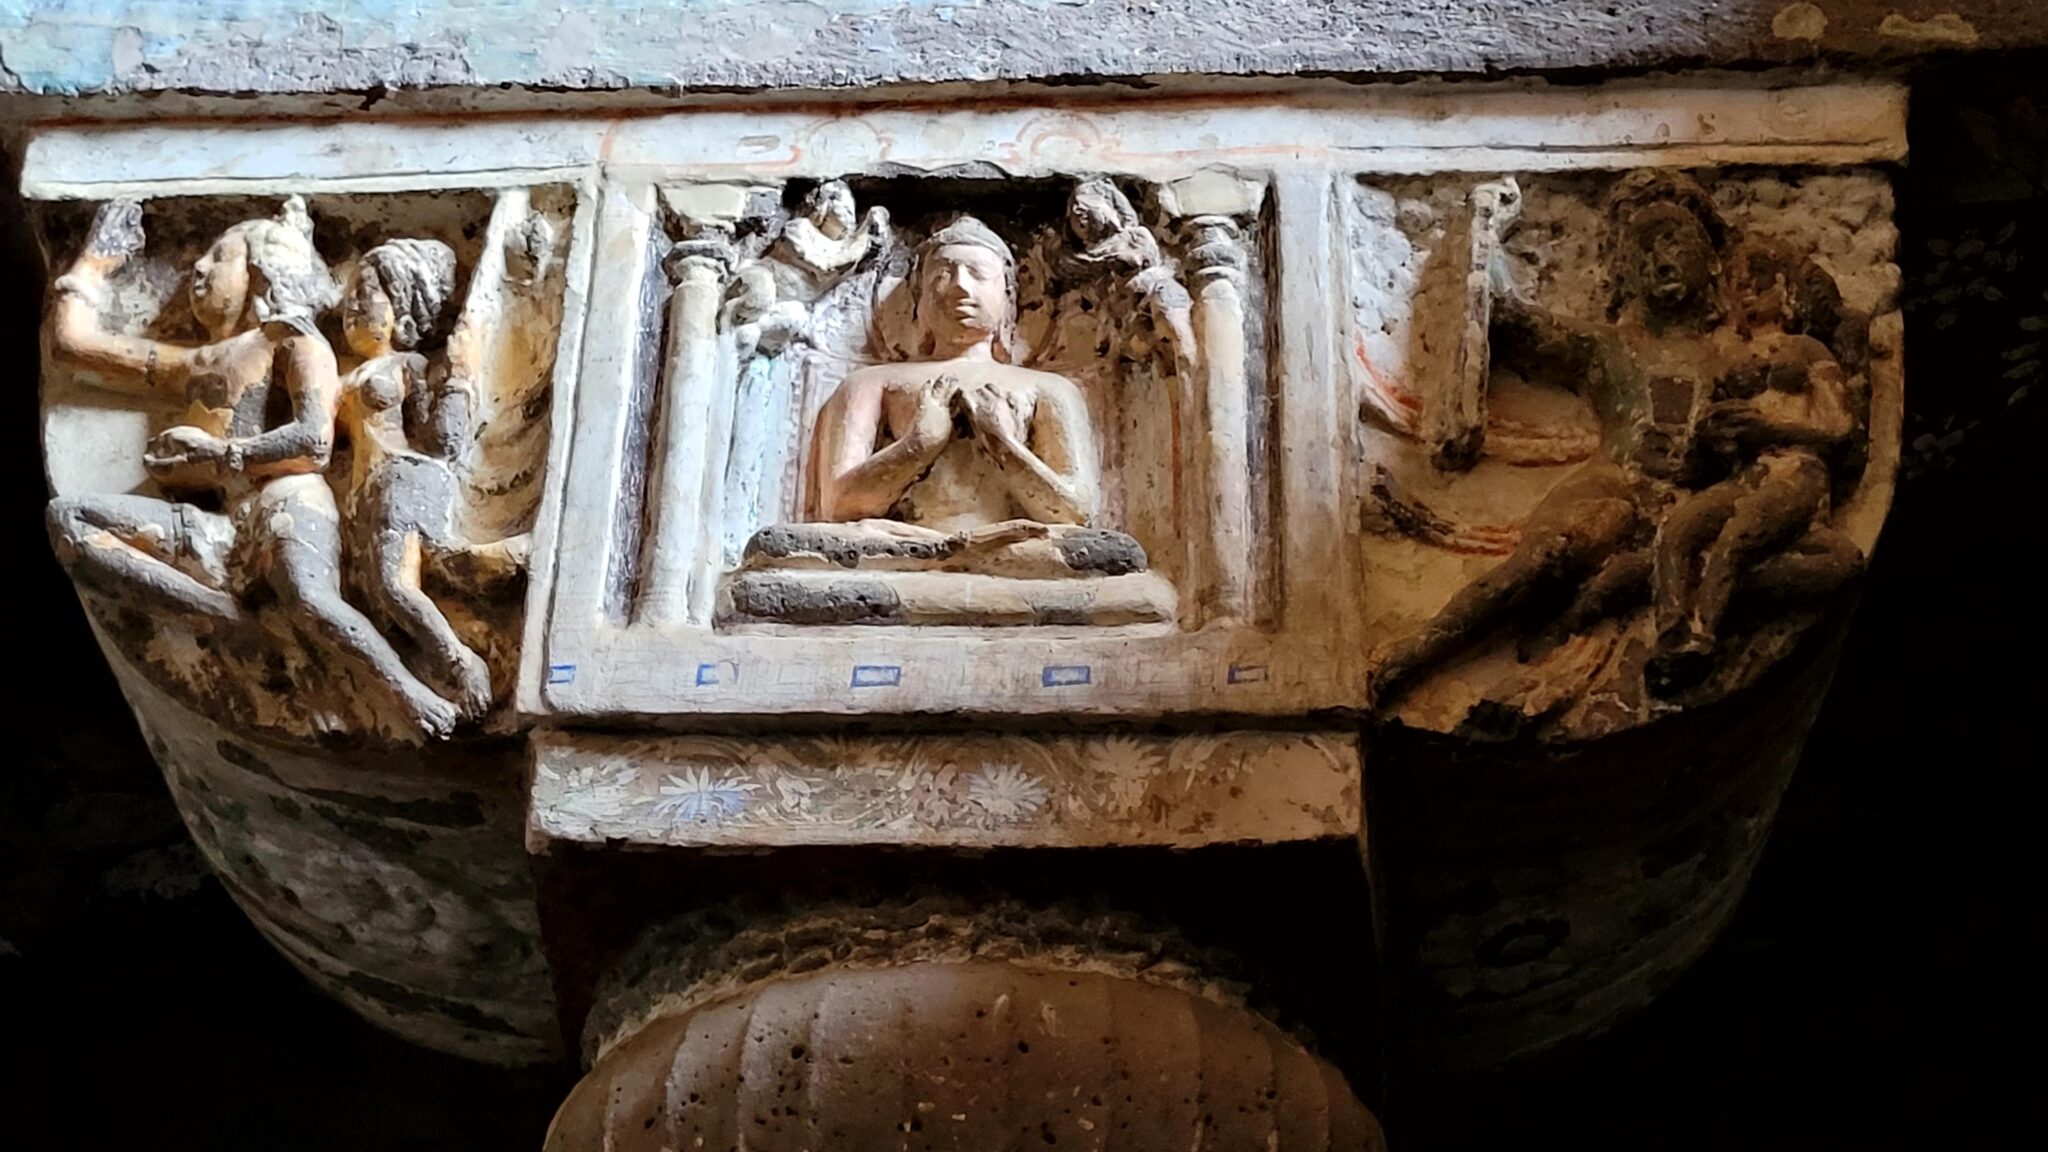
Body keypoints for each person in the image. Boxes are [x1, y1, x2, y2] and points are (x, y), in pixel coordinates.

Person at [45, 198, 466, 736]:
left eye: (220, 255)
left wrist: (218, 454)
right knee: (71, 521)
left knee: (310, 599)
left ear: (265, 272)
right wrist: (94, 263)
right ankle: (229, 620)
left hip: (287, 501)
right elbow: (74, 346)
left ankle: (403, 690)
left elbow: (314, 442)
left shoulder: (295, 340)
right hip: (228, 525)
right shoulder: (198, 362)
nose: (198, 267)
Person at [335, 238, 499, 721]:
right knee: (376, 600)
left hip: (404, 480)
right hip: (364, 493)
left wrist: (462, 372)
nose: (353, 304)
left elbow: (443, 438)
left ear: (403, 311)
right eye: (351, 293)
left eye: (368, 292)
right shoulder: (344, 372)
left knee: (395, 586)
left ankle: (462, 664)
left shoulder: (407, 366)